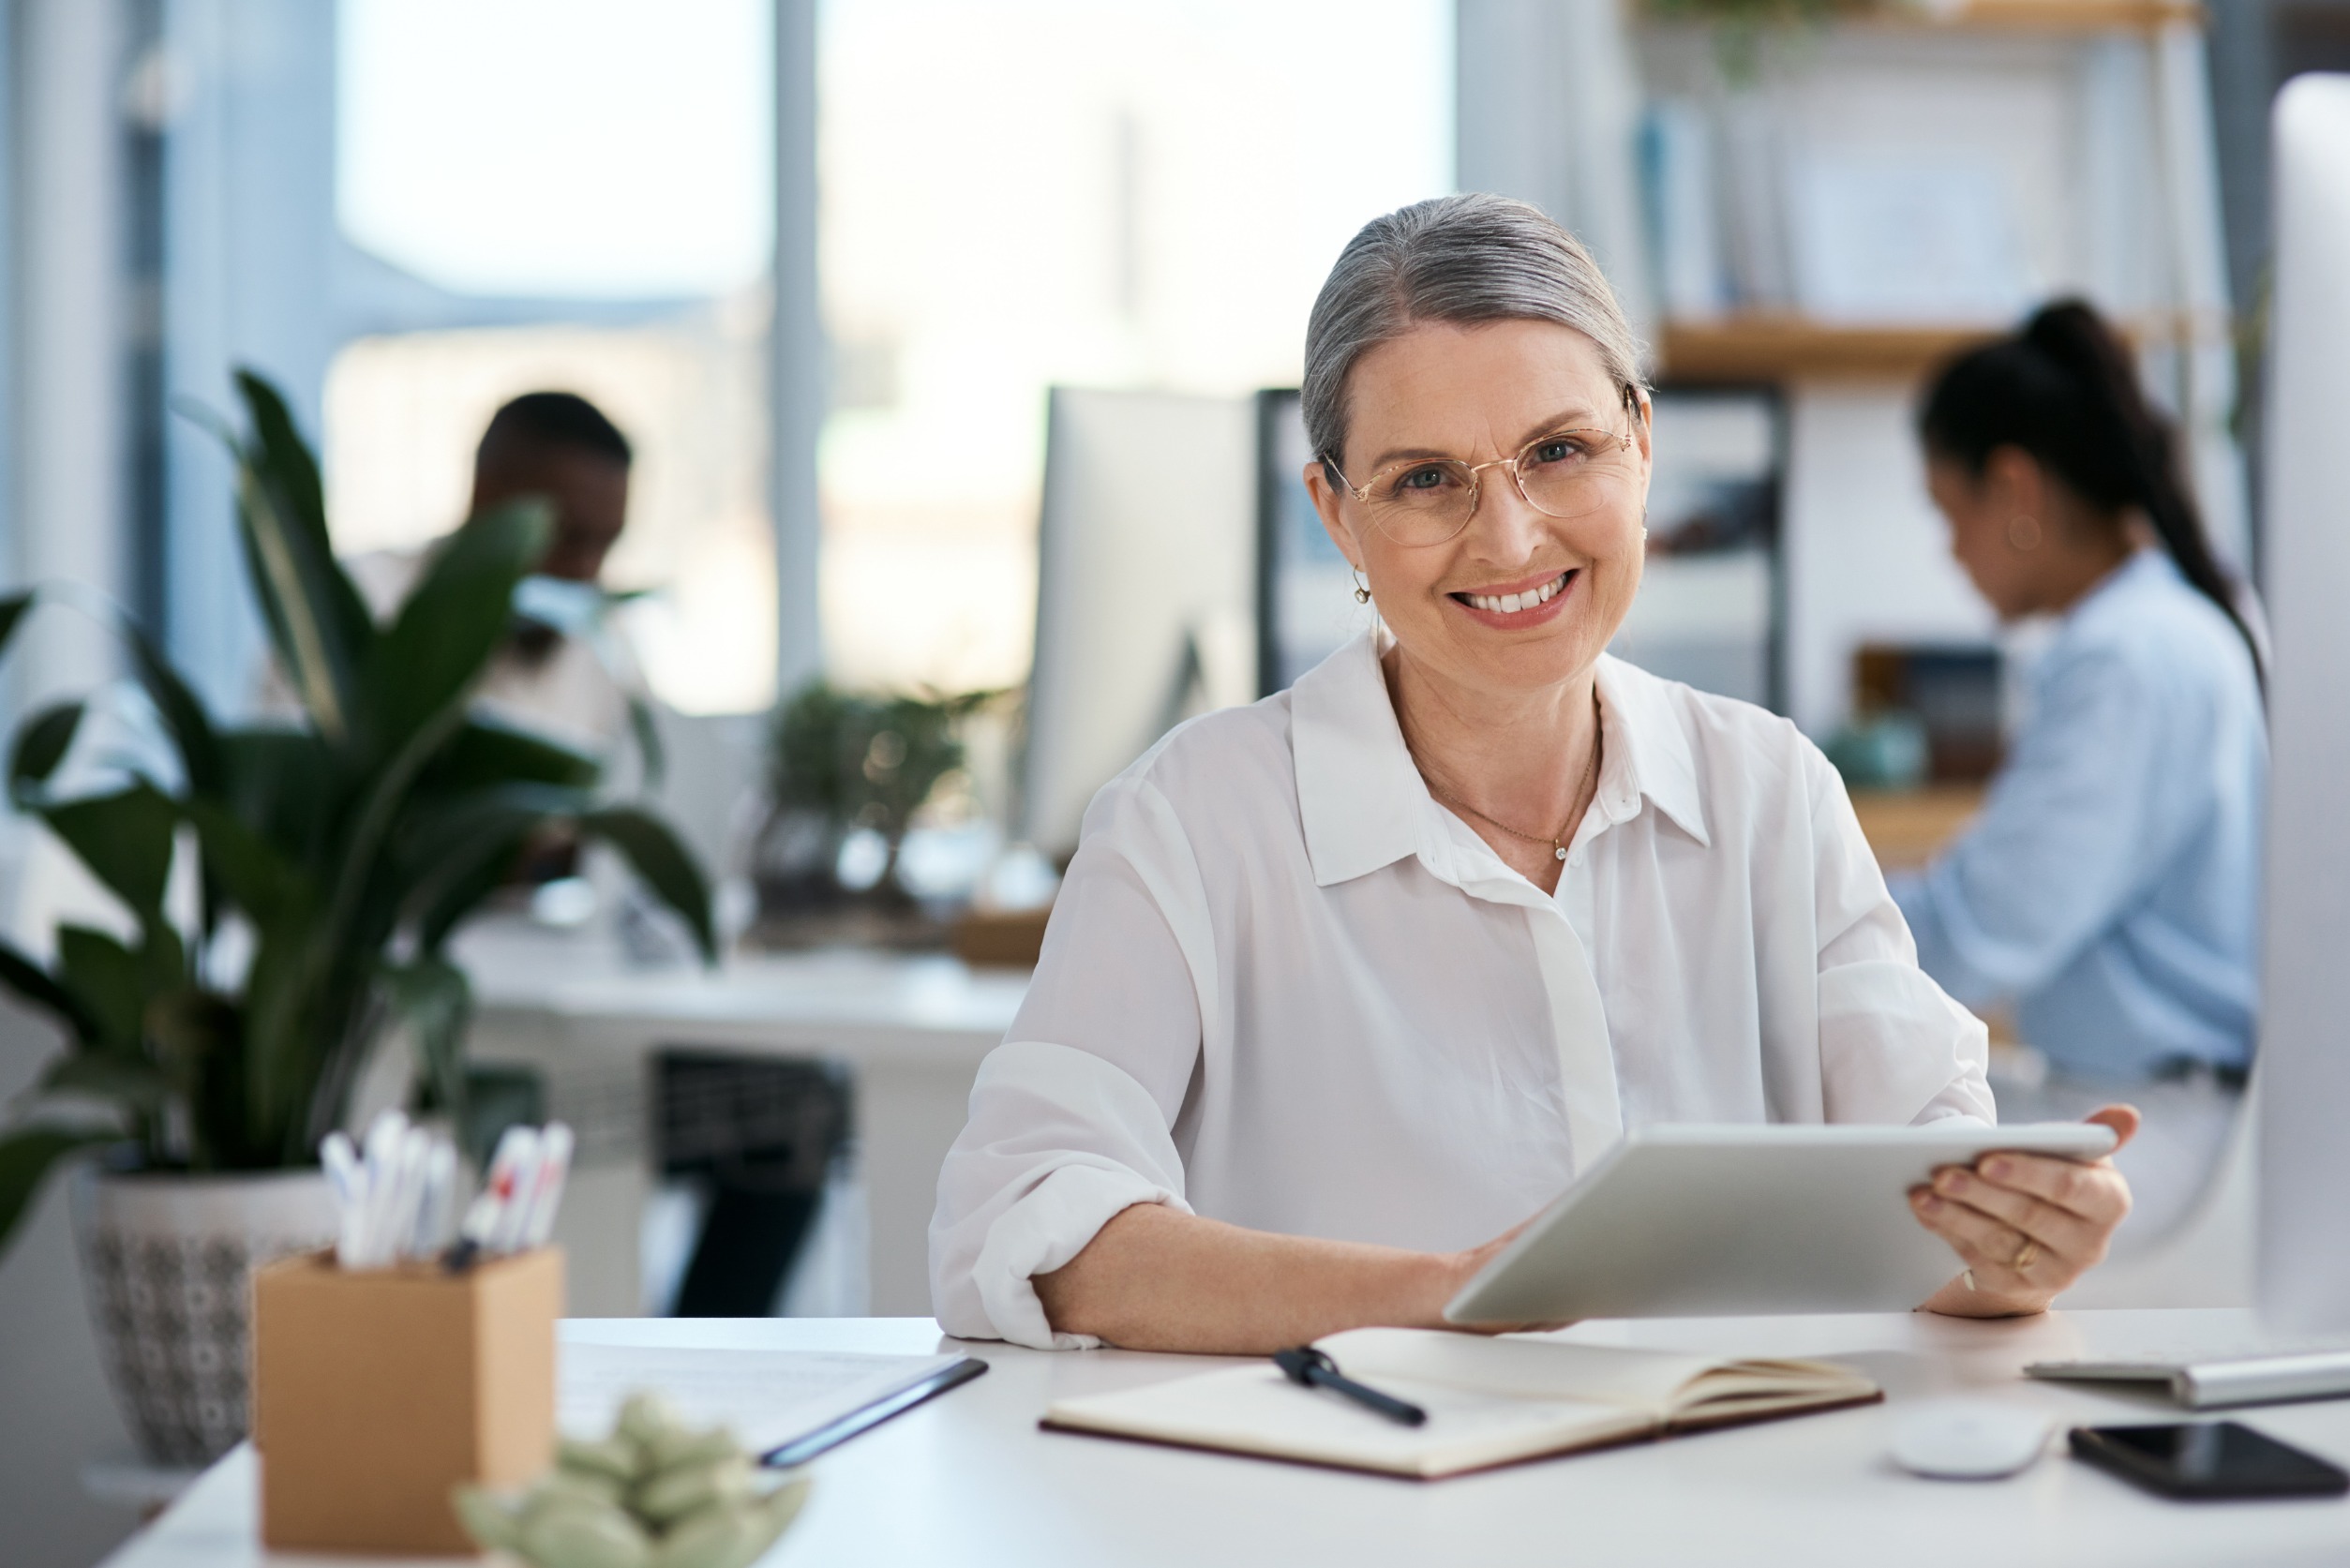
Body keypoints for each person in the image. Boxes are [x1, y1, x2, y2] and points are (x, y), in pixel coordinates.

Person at [929, 195, 2137, 1354]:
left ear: (1643, 443)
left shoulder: (1770, 789)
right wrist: (1448, 1296)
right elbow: (1021, 1226)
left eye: (1558, 450)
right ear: (1335, 518)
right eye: (1421, 479)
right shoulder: (1188, 823)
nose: (1507, 540)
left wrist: (2011, 1249)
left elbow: (1927, 1205)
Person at [1890, 302, 2266, 1233]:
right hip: (2160, 1100)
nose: (1949, 553)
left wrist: (1792, 928)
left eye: (1948, 513)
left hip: (2159, 1131)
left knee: (1836, 1192)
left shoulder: (2127, 656)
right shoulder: (2168, 620)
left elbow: (1987, 926)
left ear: (2011, 487)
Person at [340, 391, 651, 760]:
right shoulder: (357, 604)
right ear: (484, 495)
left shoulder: (603, 658)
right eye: (567, 537)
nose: (586, 571)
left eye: (605, 545)